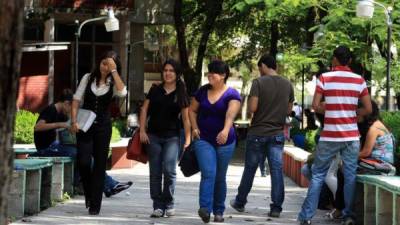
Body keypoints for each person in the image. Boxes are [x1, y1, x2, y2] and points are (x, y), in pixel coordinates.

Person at [298, 46, 372, 225]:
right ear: (350, 61)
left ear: (335, 60)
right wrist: (353, 113)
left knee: (317, 175)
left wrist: (330, 108)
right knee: (349, 176)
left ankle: (306, 217)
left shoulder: (325, 78)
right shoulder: (359, 80)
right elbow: (368, 109)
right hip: (351, 137)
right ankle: (348, 216)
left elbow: (316, 105)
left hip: (330, 136)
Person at [32, 89, 132, 198]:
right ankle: (108, 186)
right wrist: (61, 124)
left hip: (56, 145)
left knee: (86, 153)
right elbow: (38, 127)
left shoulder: (61, 113)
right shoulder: (51, 110)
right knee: (83, 155)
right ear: (66, 104)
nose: (72, 112)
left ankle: (106, 186)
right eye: (72, 108)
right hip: (46, 148)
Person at [230, 54, 294, 218]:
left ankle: (240, 202)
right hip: (277, 134)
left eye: (260, 68)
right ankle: (276, 208)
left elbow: (252, 108)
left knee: (250, 169)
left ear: (264, 66)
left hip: (258, 133)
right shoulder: (287, 84)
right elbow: (288, 110)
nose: (259, 72)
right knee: (276, 171)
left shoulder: (258, 82)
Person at [71, 50, 128, 215]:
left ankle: (95, 205)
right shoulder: (87, 78)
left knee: (100, 166)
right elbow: (76, 100)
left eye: (109, 65)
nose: (105, 67)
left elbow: (123, 92)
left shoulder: (114, 83)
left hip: (103, 127)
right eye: (104, 63)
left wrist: (114, 71)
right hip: (85, 126)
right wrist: (74, 121)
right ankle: (89, 193)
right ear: (99, 62)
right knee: (83, 161)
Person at [189, 60, 241, 223]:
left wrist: (225, 130)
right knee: (208, 173)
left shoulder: (232, 94)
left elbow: (230, 115)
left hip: (225, 141)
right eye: (209, 72)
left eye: (214, 72)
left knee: (220, 176)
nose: (210, 75)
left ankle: (219, 210)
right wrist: (194, 127)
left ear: (223, 75)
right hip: (203, 138)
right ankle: (205, 208)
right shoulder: (203, 91)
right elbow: (192, 110)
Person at [139, 59, 191, 218]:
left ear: (176, 74)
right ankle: (157, 205)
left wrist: (188, 138)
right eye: (165, 70)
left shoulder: (181, 92)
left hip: (172, 137)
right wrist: (142, 130)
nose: (168, 73)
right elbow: (144, 110)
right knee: (155, 172)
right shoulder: (155, 90)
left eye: (171, 71)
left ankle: (169, 203)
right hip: (153, 136)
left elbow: (186, 118)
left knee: (169, 170)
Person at [358, 100, 396, 174]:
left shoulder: (374, 128)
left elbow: (366, 153)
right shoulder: (375, 124)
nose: (354, 115)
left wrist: (346, 155)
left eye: (357, 113)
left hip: (381, 164)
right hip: (376, 162)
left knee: (348, 166)